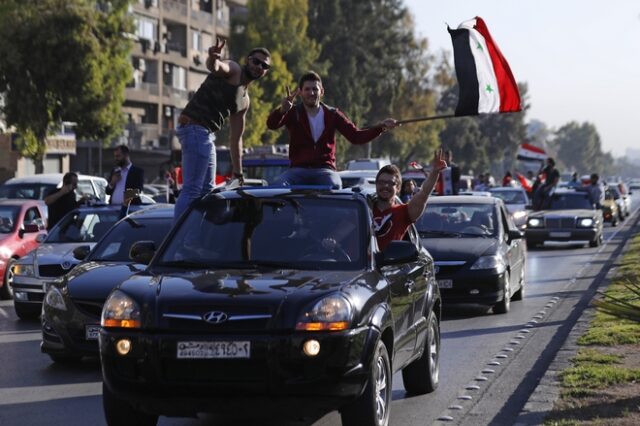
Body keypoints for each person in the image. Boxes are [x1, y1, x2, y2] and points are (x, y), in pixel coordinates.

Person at [174, 38, 271, 220]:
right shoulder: (234, 69)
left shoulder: (244, 100)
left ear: (265, 72)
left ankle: (199, 238)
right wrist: (213, 58)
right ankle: (176, 241)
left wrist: (239, 174)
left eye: (264, 65)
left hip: (206, 135)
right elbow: (216, 67)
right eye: (256, 61)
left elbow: (236, 140)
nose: (259, 66)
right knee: (192, 190)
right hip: (194, 127)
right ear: (247, 60)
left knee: (207, 192)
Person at [267, 71, 397, 188]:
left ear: (321, 91)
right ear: (300, 92)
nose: (311, 93)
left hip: (324, 170)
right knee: (277, 187)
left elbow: (356, 136)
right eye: (307, 89)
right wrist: (282, 110)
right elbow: (271, 125)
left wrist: (381, 127)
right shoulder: (292, 112)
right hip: (298, 170)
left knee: (334, 186)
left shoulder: (333, 114)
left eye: (315, 89)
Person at [372, 150, 447, 251]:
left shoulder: (404, 212)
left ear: (398, 188)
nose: (385, 186)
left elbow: (424, 193)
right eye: (381, 182)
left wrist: (435, 172)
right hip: (359, 265)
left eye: (391, 183)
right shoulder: (363, 211)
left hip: (390, 265)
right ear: (376, 184)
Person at [106, 145, 145, 217]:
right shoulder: (115, 171)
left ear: (126, 155)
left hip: (130, 211)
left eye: (118, 156)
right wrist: (112, 183)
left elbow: (138, 191)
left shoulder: (137, 171)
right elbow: (107, 192)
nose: (116, 159)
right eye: (115, 156)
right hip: (113, 211)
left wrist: (125, 200)